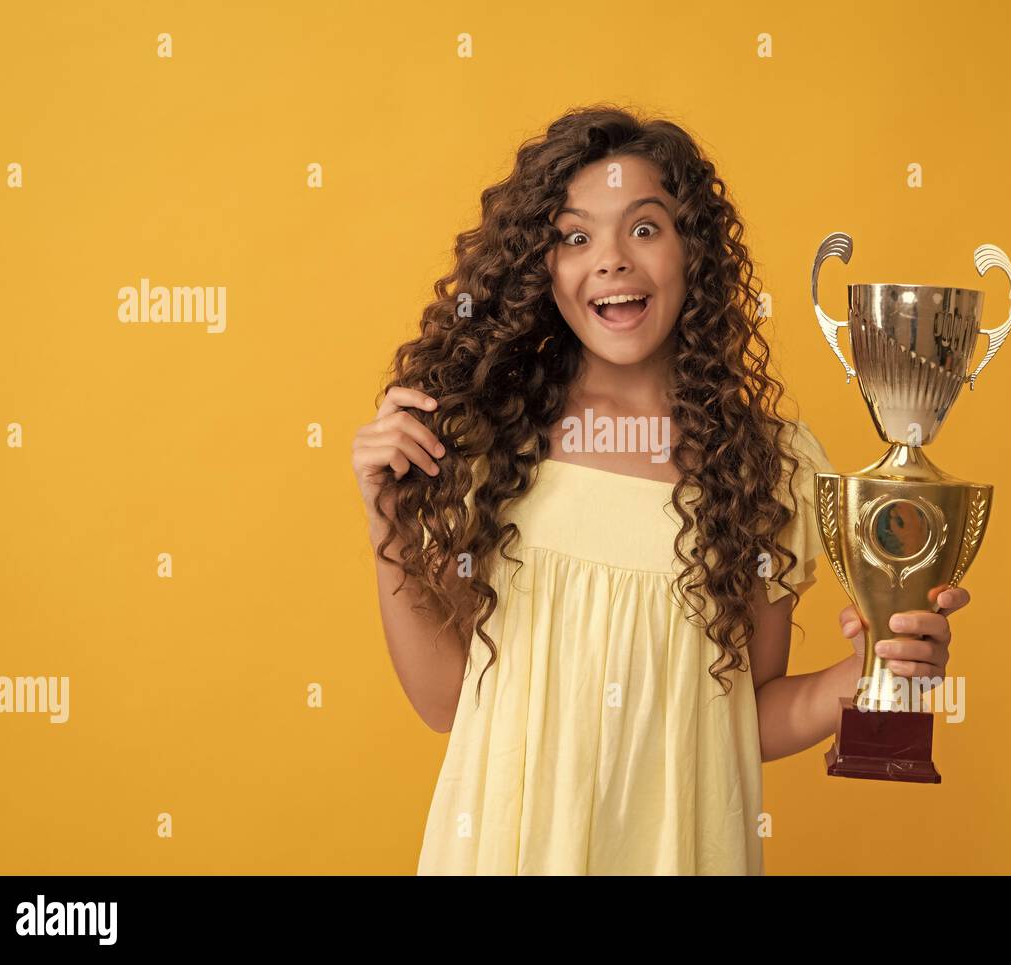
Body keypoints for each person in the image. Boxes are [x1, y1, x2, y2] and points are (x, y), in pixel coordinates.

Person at [351, 105, 972, 875]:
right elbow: (447, 702)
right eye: (575, 236)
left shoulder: (764, 467)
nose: (610, 260)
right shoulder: (488, 443)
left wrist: (872, 668)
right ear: (543, 269)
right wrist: (386, 516)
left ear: (693, 254)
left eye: (644, 228)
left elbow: (743, 712)